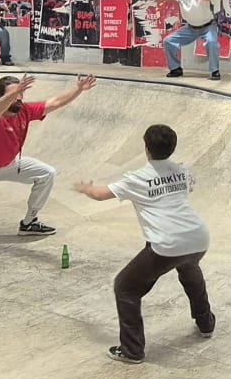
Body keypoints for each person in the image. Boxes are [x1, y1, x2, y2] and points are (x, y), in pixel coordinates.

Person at [72, 123, 215, 364]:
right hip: (198, 238)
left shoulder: (137, 178)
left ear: (146, 148)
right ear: (173, 147)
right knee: (189, 269)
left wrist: (85, 188)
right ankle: (206, 323)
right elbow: (186, 187)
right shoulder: (183, 170)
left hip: (167, 243)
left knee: (125, 287)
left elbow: (100, 194)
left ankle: (132, 350)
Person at [0, 73, 95, 263]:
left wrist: (78, 89)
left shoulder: (25, 110)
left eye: (21, 93)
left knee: (47, 173)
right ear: (0, 96)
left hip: (9, 164)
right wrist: (13, 94)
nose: (19, 97)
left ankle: (29, 222)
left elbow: (56, 102)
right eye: (13, 94)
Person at [151, 0, 221, 80]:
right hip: (190, 28)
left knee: (212, 42)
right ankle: (175, 69)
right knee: (168, 41)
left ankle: (215, 71)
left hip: (208, 26)